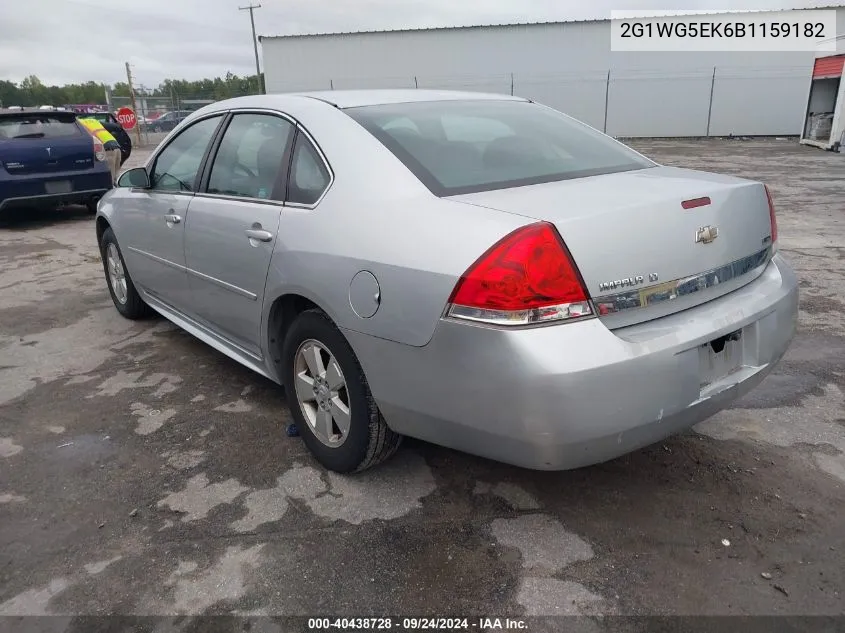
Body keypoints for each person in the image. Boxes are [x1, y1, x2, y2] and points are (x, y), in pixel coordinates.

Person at [78, 116, 121, 184]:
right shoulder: (93, 121)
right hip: (116, 146)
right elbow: (116, 127)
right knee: (118, 178)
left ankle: (111, 194)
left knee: (110, 180)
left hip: (107, 148)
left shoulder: (78, 124)